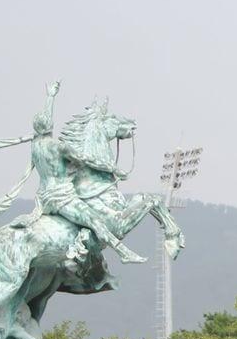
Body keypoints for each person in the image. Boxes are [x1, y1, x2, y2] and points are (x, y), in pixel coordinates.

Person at [19, 81, 145, 263]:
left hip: (44, 198)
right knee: (96, 221)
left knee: (87, 221)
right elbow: (85, 160)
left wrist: (50, 97)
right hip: (62, 197)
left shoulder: (35, 146)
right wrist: (113, 168)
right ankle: (123, 253)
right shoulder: (58, 147)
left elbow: (45, 121)